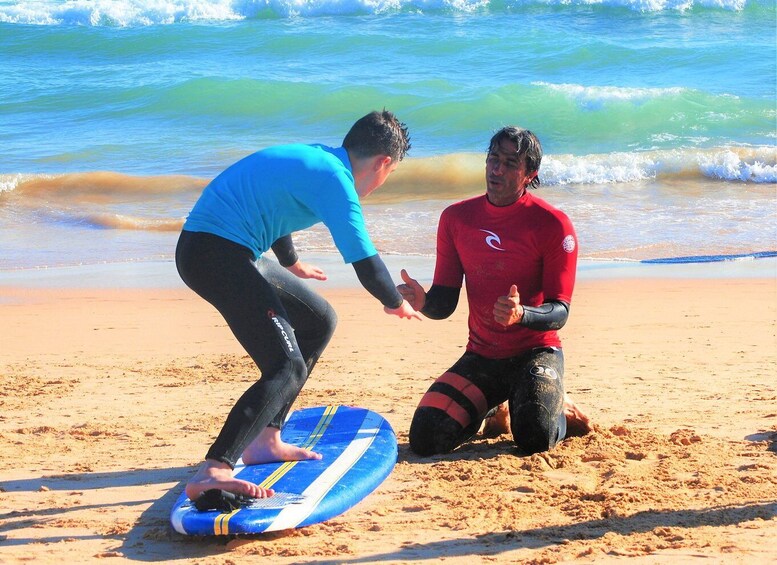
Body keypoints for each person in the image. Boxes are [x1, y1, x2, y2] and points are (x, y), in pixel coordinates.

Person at [176, 110, 420, 505]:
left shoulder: (317, 159)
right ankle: (215, 469)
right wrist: (395, 303)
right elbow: (366, 261)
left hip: (224, 248)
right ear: (383, 163)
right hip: (214, 252)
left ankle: (265, 437)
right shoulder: (337, 180)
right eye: (387, 176)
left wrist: (290, 263)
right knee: (286, 366)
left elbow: (276, 207)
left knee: (318, 320)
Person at [397, 126, 591, 458]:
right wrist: (424, 301)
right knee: (426, 438)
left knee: (534, 437)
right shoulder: (457, 219)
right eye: (493, 159)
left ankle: (562, 406)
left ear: (530, 173)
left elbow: (560, 312)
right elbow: (445, 302)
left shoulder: (552, 224)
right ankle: (494, 405)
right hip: (483, 356)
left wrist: (522, 314)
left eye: (510, 163)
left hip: (536, 352)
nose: (496, 169)